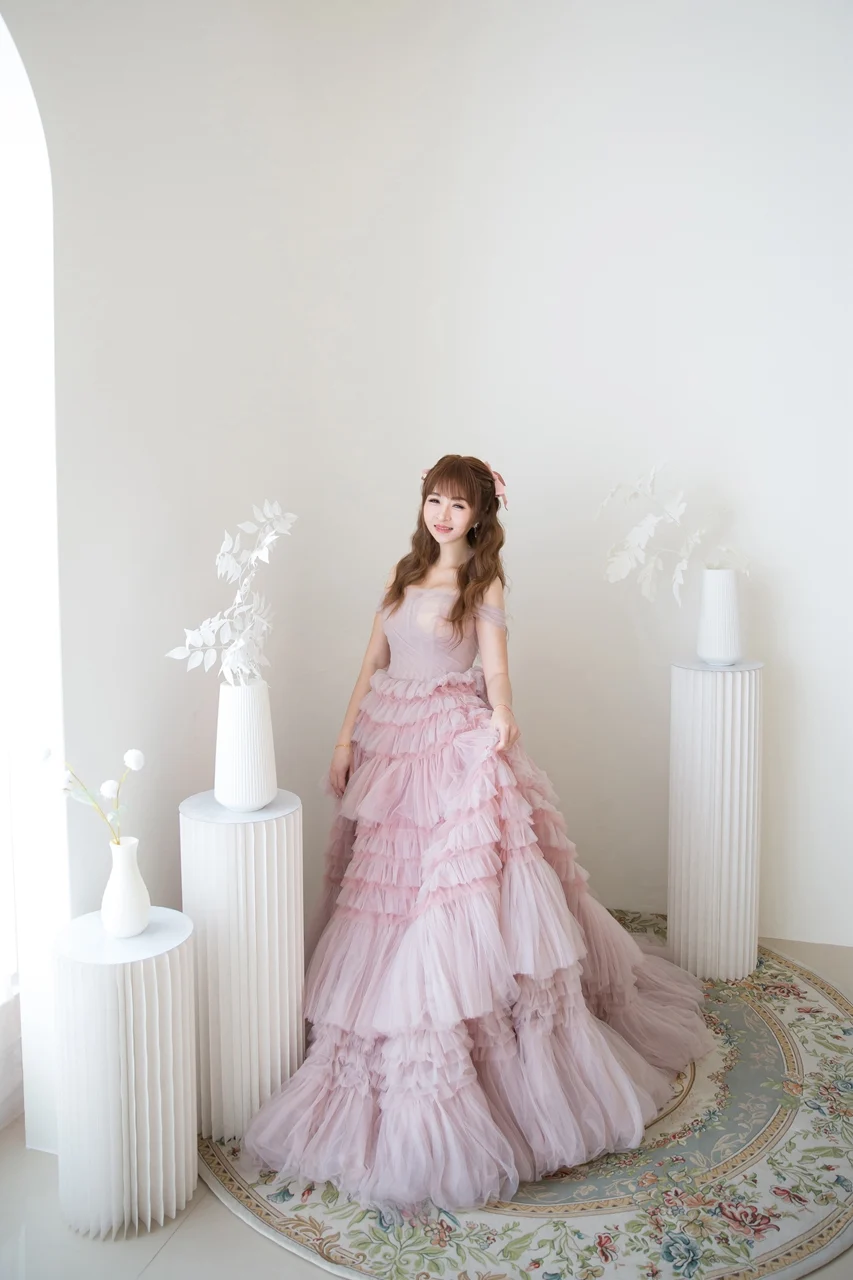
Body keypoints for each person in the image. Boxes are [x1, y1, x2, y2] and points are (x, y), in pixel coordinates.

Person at [241, 453, 715, 1214]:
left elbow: (495, 670)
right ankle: (380, 1020)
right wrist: (343, 739)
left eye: (457, 505)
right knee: (385, 890)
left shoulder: (482, 581)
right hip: (391, 743)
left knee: (451, 893)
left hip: (451, 744)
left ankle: (466, 1037)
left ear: (480, 515)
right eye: (434, 500)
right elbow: (371, 663)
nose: (442, 515)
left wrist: (502, 715)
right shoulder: (403, 572)